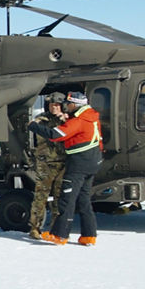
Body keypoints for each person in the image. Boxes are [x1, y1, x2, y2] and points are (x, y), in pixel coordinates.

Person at [28, 91, 103, 246]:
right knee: (84, 199)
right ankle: (89, 235)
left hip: (78, 164)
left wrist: (34, 126)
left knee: (67, 200)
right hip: (93, 162)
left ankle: (60, 234)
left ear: (74, 104)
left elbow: (55, 135)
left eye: (67, 104)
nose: (65, 107)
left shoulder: (79, 120)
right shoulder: (92, 116)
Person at [28, 93, 67, 239]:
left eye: (57, 105)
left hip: (63, 163)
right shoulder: (41, 120)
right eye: (51, 105)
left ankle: (55, 229)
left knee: (59, 197)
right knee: (40, 196)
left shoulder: (67, 120)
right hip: (46, 164)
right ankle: (34, 227)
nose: (54, 108)